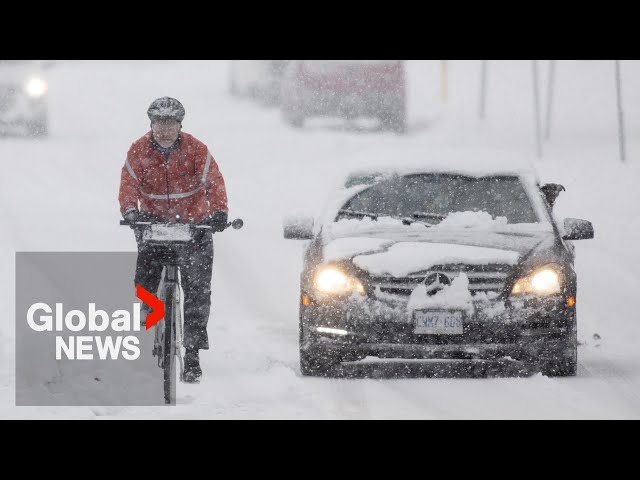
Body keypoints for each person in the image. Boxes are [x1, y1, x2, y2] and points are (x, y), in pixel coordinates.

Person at [118, 96, 229, 383]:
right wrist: (130, 211)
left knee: (197, 292)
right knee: (145, 277)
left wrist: (218, 213)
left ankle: (192, 354)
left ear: (180, 125)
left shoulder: (197, 150)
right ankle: (148, 309)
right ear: (151, 124)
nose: (164, 130)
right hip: (155, 226)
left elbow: (214, 182)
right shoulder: (138, 151)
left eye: (170, 123)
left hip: (193, 228)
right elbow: (128, 184)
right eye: (158, 123)